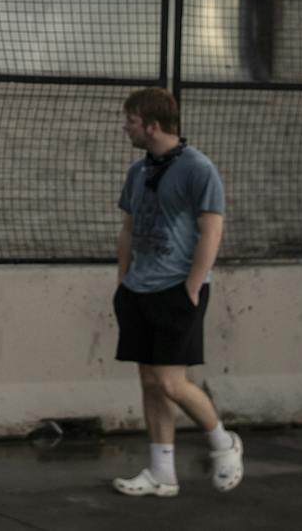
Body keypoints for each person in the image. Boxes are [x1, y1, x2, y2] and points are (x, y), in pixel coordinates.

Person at [109, 87, 243, 498]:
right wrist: (123, 281)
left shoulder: (198, 168)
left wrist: (191, 286)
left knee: (171, 382)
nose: (125, 127)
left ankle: (224, 443)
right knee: (150, 382)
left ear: (152, 125)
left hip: (176, 290)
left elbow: (212, 229)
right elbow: (129, 228)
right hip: (138, 290)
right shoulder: (139, 171)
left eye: (130, 121)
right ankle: (162, 473)